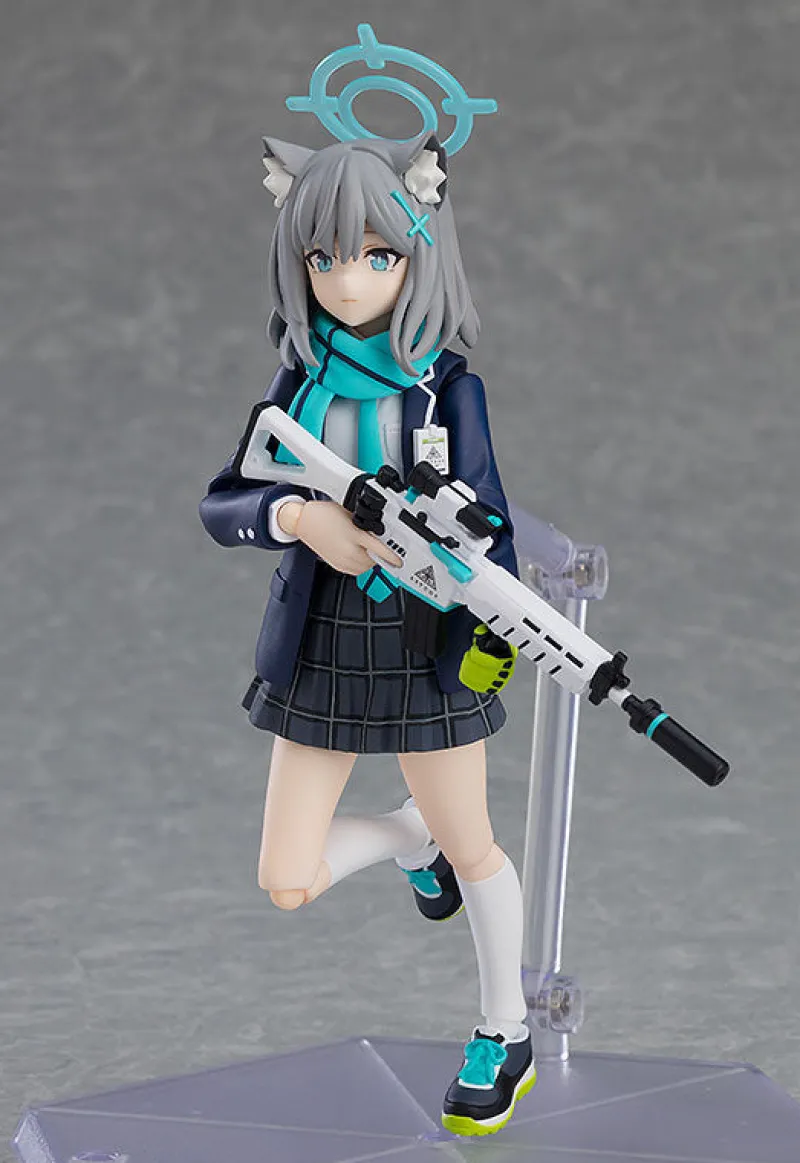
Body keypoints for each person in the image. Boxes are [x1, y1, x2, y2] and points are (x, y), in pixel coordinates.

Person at [199, 131, 536, 1136]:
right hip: (324, 634)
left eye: (378, 254)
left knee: (475, 845)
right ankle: (403, 835)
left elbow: (495, 523)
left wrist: (466, 557)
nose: (349, 280)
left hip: (429, 637)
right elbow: (224, 500)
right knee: (287, 879)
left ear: (419, 251)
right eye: (325, 256)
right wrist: (300, 516)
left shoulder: (447, 389)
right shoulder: (299, 389)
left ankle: (507, 1026)